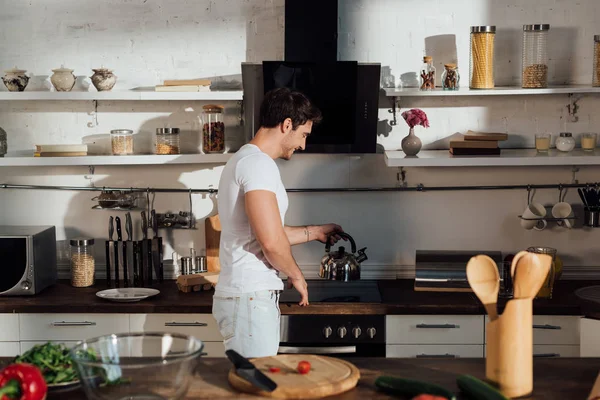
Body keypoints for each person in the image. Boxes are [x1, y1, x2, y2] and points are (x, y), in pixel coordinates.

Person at [212, 87, 345, 357]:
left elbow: (262, 232)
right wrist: (297, 276)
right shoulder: (259, 165)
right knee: (258, 390)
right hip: (249, 298)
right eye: (303, 134)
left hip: (245, 297)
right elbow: (271, 242)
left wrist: (314, 232)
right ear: (287, 125)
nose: (303, 145)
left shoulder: (244, 160)